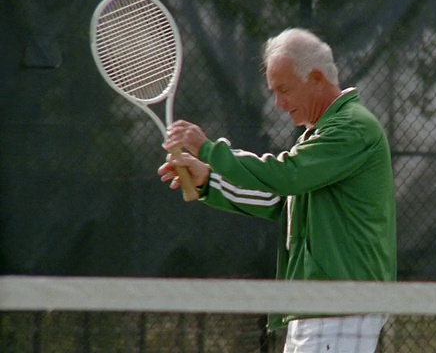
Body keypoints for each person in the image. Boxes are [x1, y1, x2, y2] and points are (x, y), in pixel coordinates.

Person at [158, 27, 397, 352]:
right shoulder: (320, 135)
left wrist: (210, 151)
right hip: (316, 307)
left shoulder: (352, 128)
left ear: (315, 79)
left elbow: (287, 175)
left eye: (284, 90)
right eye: (273, 91)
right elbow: (279, 198)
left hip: (341, 305)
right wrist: (208, 181)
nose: (279, 103)